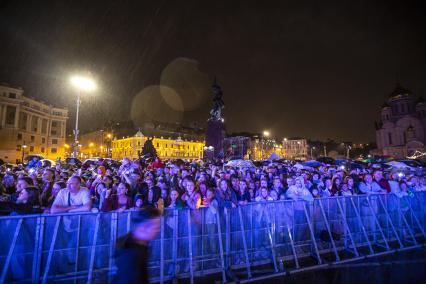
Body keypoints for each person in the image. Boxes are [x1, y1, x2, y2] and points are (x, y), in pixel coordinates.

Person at [115, 207, 161, 284]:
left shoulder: (135, 243)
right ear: (143, 228)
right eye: (155, 227)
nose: (158, 230)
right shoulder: (132, 254)